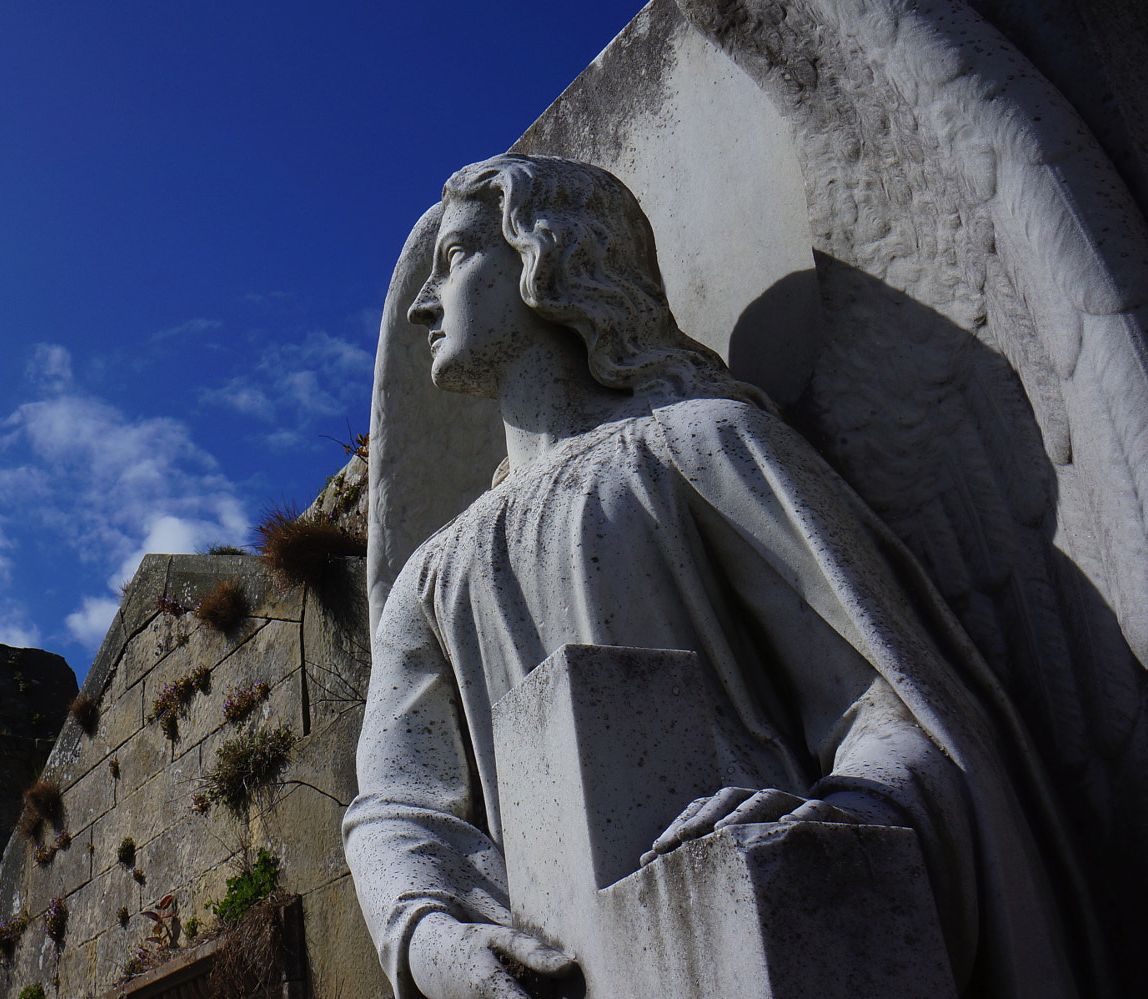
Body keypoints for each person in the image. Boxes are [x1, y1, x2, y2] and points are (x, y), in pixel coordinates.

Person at [342, 155, 1082, 999]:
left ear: (549, 257)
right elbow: (399, 807)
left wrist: (846, 815)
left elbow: (888, 705)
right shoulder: (433, 578)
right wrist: (430, 932)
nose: (421, 305)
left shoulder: (699, 447)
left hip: (757, 916)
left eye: (457, 258)